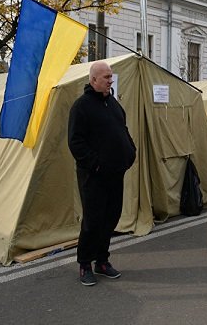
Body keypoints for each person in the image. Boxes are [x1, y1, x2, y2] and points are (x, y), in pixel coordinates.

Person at [68, 61, 137, 286]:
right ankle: (85, 264)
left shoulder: (113, 104)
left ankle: (102, 260)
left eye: (111, 76)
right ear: (93, 80)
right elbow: (75, 142)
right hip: (93, 177)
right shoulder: (82, 106)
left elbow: (122, 131)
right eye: (106, 77)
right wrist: (96, 165)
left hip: (115, 174)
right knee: (93, 221)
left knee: (111, 218)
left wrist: (130, 151)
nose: (110, 80)